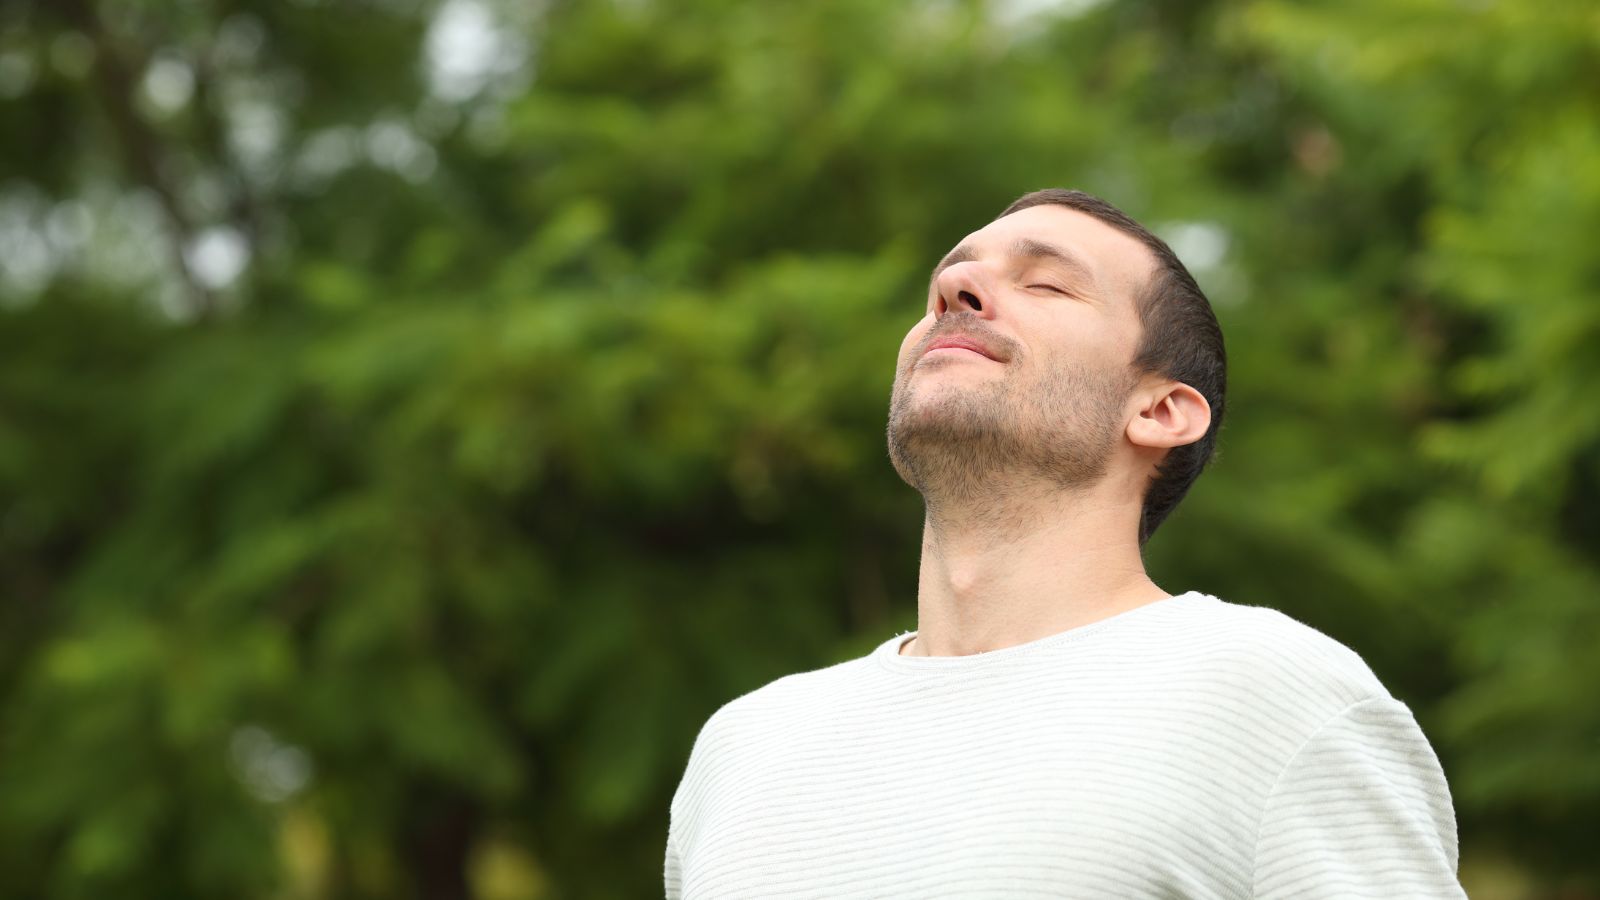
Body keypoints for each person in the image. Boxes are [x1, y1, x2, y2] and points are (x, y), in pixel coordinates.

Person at [663, 189, 1464, 898]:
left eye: (1045, 282)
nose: (953, 289)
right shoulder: (746, 747)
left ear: (1159, 411)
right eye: (950, 279)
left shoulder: (1273, 699)